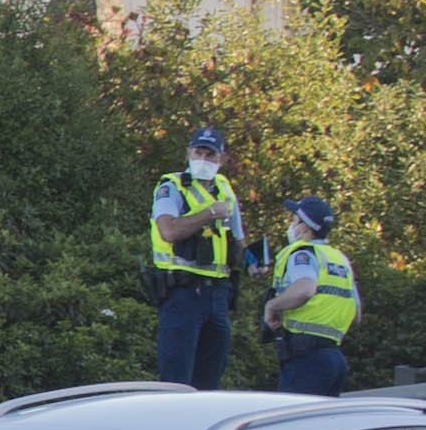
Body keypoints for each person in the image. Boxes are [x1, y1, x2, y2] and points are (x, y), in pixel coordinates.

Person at [147, 127, 244, 390]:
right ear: (188, 153)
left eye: (210, 154)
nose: (203, 159)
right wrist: (209, 212)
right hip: (184, 292)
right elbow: (168, 230)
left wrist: (254, 263)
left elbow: (237, 239)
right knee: (176, 379)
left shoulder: (224, 188)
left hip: (218, 293)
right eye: (198, 152)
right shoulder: (172, 187)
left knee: (210, 379)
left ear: (222, 159)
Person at [260, 197, 356, 395]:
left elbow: (304, 289)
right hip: (334, 357)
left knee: (292, 423)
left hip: (305, 358)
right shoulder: (339, 260)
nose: (291, 225)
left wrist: (272, 306)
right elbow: (357, 310)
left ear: (305, 227)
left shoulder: (303, 254)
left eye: (294, 220)